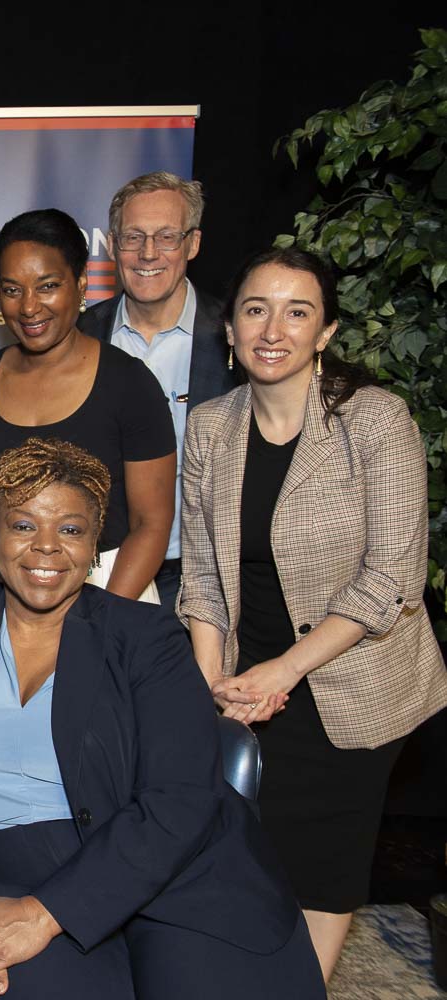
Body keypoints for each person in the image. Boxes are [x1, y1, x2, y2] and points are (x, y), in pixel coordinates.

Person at [0, 437, 324, 1000]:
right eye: (22, 525)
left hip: (165, 869)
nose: (46, 548)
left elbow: (180, 798)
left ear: (93, 547)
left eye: (70, 529)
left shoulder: (147, 637)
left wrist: (45, 914)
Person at [180, 246, 447, 982]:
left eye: (298, 311)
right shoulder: (210, 426)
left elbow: (391, 579)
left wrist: (283, 672)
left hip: (350, 682)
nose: (274, 328)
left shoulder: (375, 421)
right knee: (238, 855)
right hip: (244, 677)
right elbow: (202, 572)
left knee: (318, 871)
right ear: (228, 329)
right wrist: (213, 690)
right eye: (255, 309)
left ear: (326, 332)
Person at [0, 208, 175, 603]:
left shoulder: (130, 384)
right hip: (3, 590)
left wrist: (102, 620)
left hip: (111, 588)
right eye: (13, 289)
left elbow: (151, 523)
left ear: (81, 283)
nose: (29, 307)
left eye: (47, 286)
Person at [80, 172, 239, 609]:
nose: (148, 253)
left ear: (193, 243)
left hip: (204, 579)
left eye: (167, 236)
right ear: (112, 246)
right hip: (97, 571)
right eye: (134, 237)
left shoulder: (237, 340)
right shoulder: (80, 336)